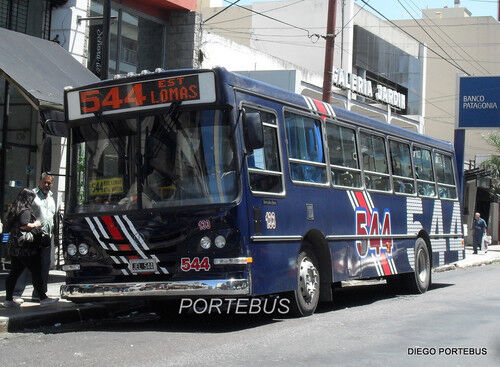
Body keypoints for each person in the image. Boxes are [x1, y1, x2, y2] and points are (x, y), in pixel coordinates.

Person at [2, 188, 58, 308]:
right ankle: (43, 298)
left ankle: (8, 299)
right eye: (31, 198)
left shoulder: (13, 210)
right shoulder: (25, 210)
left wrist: (5, 245)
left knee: (14, 273)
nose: (32, 201)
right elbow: (24, 225)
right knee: (36, 272)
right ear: (28, 198)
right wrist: (36, 224)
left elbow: (6, 229)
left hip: (15, 248)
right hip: (27, 249)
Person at [13, 172, 56, 302]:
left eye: (49, 183)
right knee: (25, 265)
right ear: (40, 181)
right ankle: (16, 293)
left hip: (46, 236)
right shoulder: (31, 194)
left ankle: (39, 294)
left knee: (43, 266)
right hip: (32, 235)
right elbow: (22, 210)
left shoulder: (52, 197)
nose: (47, 185)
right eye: (45, 182)